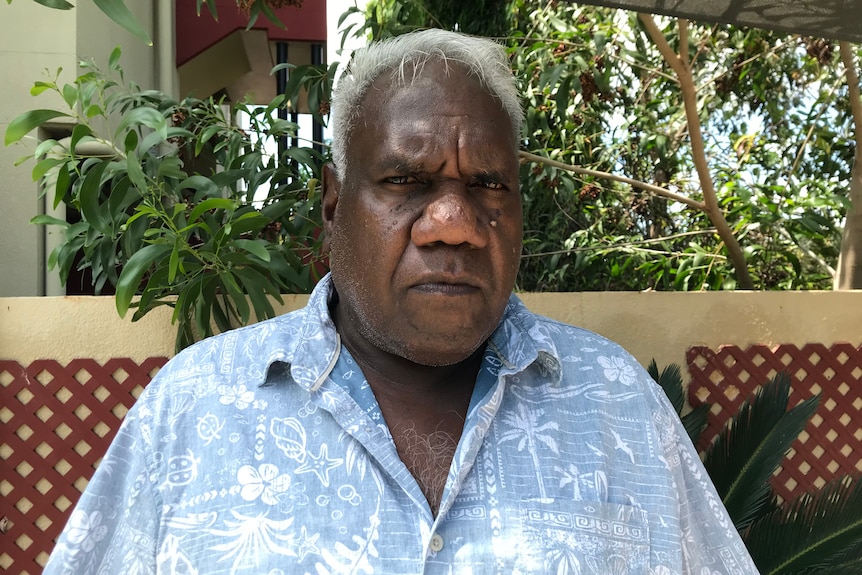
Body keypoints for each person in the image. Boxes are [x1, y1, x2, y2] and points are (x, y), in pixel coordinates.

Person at [44, 29, 759, 574]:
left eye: (487, 185)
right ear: (332, 207)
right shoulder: (192, 410)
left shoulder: (618, 406)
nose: (454, 223)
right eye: (406, 181)